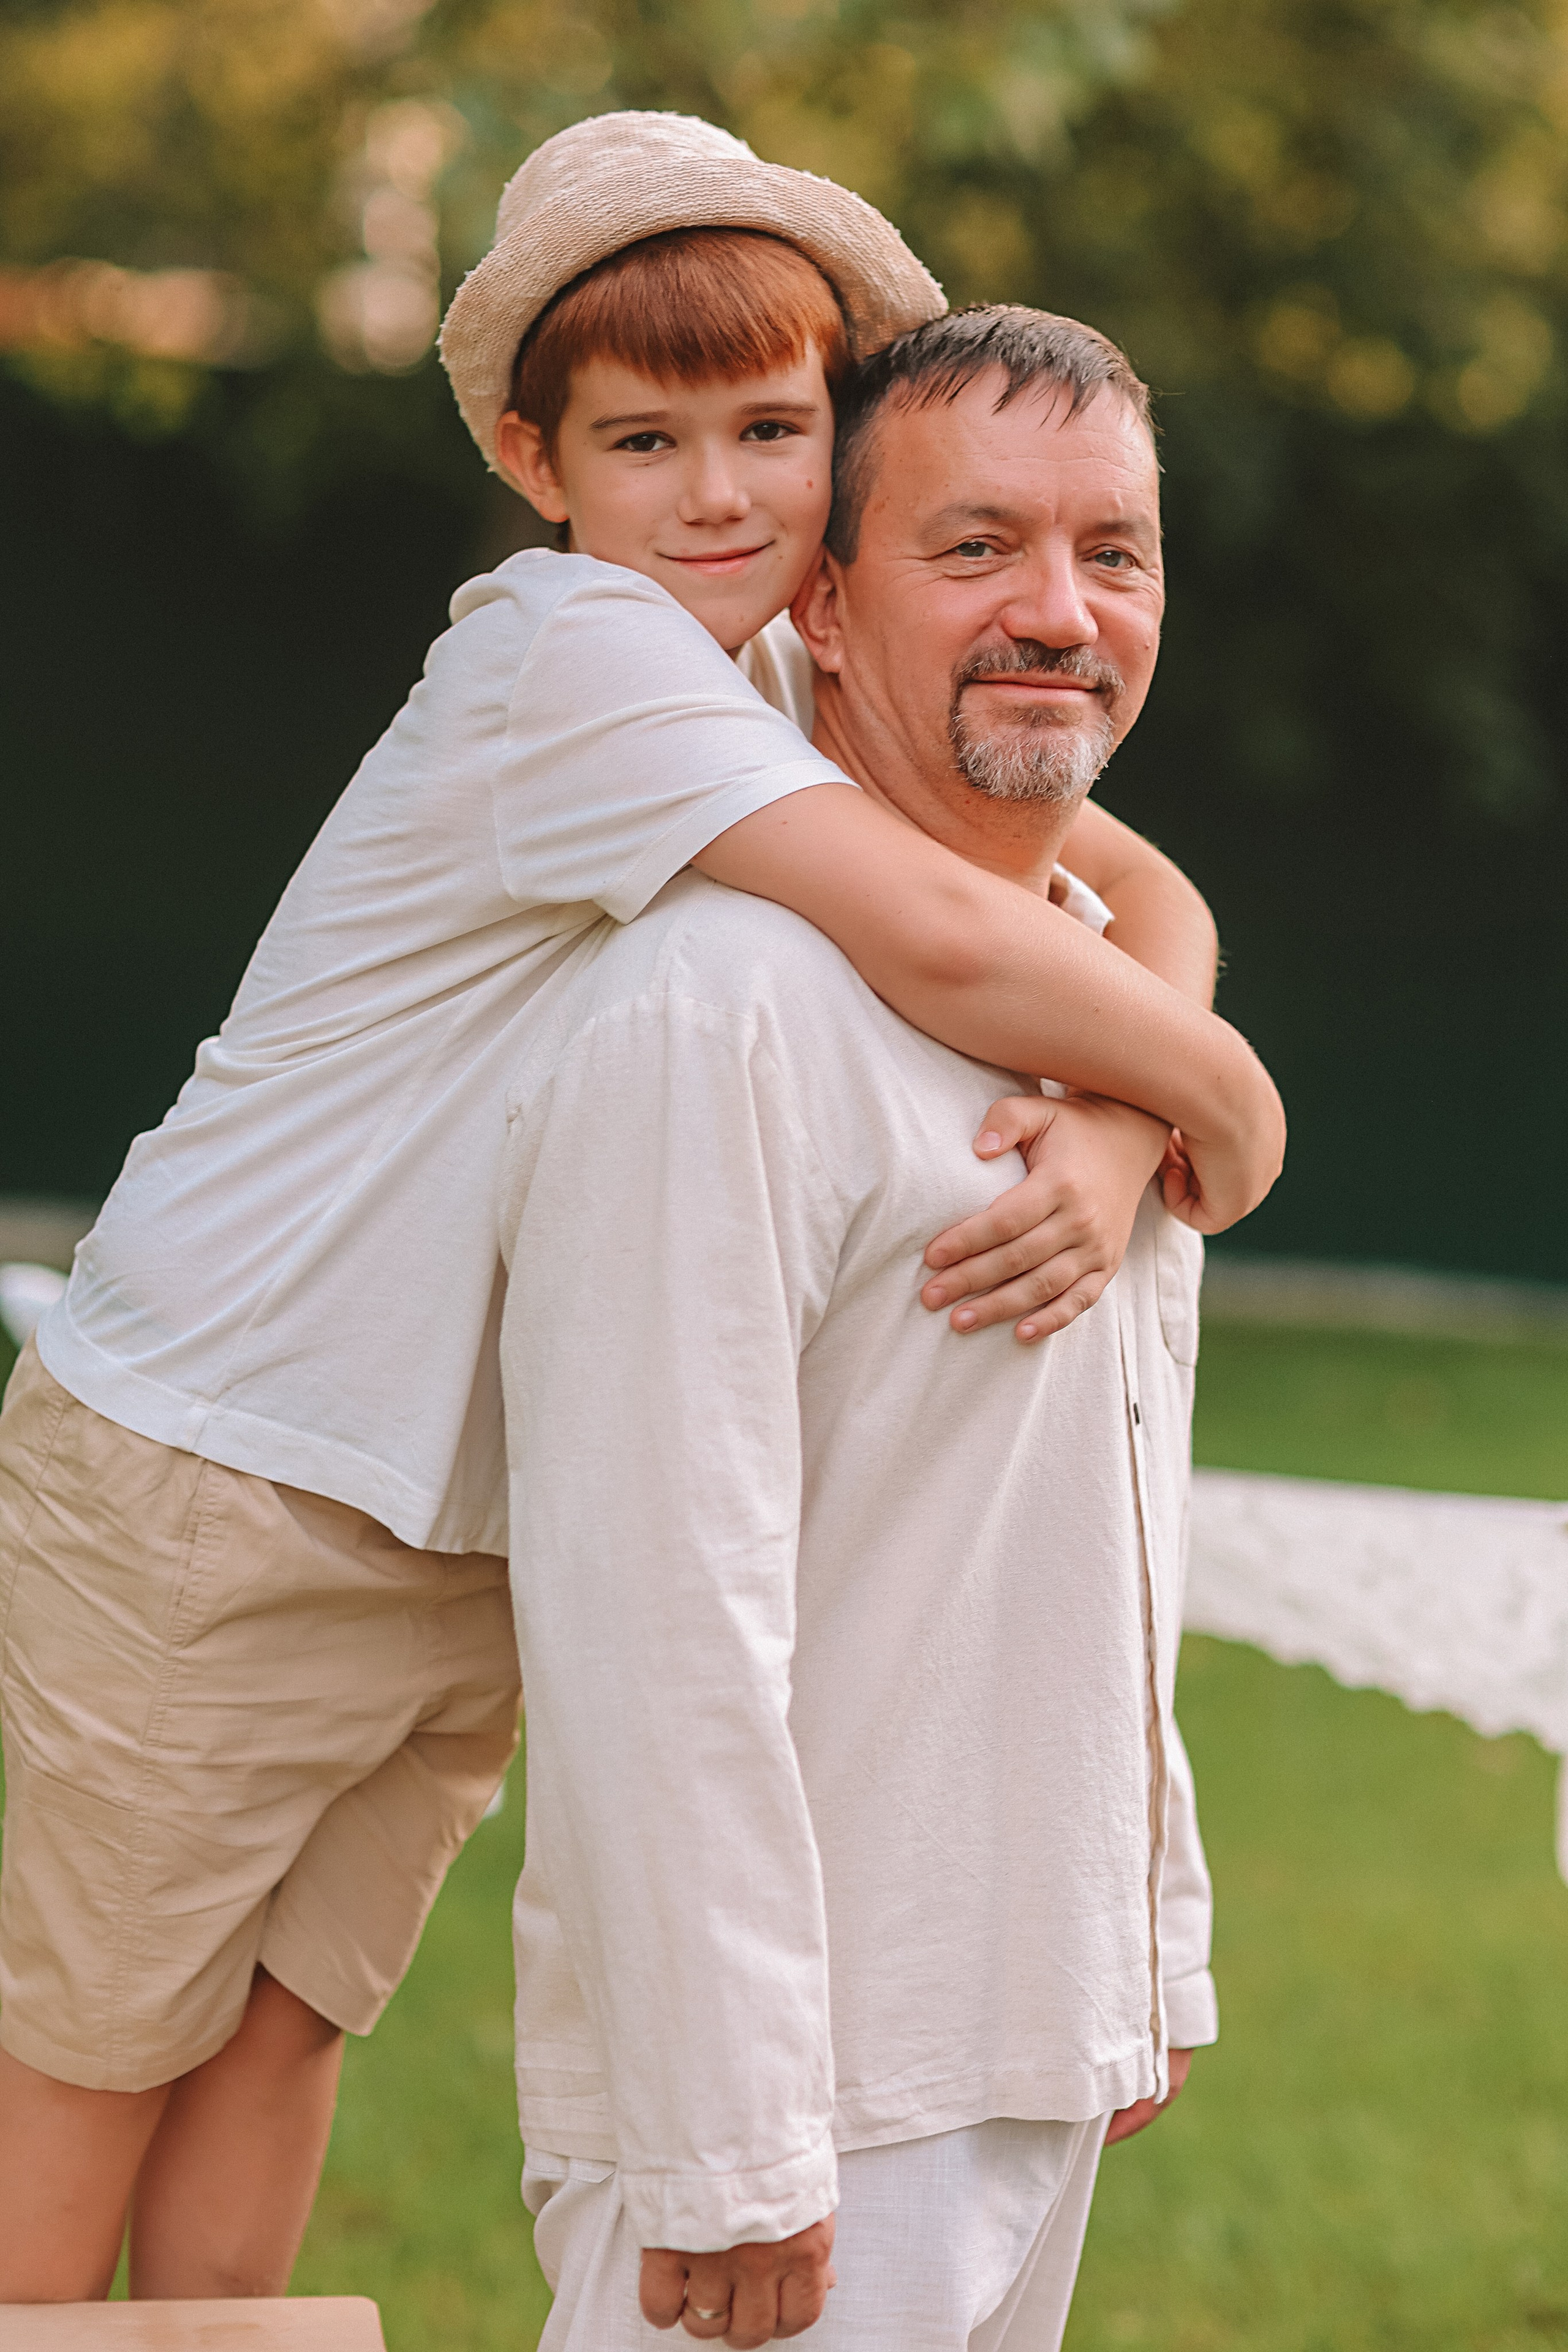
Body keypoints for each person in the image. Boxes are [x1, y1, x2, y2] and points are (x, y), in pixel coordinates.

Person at [0, 115, 1278, 2303]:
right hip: (214, 1464)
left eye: (777, 429)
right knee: (86, 2042)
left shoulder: (777, 672)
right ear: (535, 461)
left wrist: (1093, 1111)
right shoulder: (565, 655)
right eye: (646, 437)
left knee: (288, 2027)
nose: (723, 494)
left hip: (448, 1522)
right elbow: (970, 947)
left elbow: (1133, 889)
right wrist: (1219, 1116)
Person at [498, 303, 1218, 2352]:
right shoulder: (712, 1008)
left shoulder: (1101, 1013)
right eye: (976, 547)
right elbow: (649, 1615)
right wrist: (731, 2141)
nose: (1060, 613)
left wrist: (1132, 1961)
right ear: (819, 593)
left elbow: (1082, 1516)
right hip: (798, 2114)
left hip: (1027, 2041)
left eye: (1116, 553)